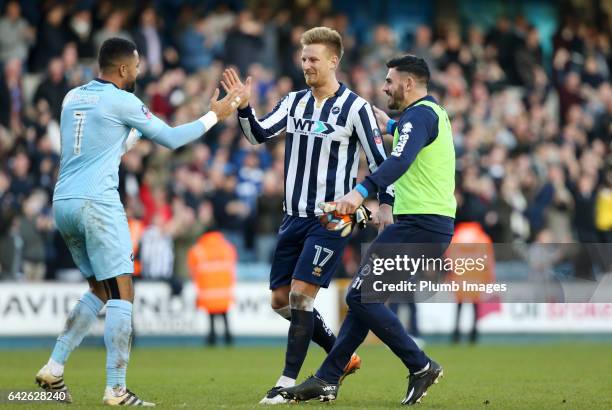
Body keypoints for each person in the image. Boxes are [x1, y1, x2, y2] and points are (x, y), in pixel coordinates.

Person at [34, 37, 245, 406]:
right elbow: (174, 139)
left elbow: (99, 145)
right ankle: (115, 388)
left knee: (100, 290)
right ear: (122, 70)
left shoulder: (72, 98)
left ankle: (54, 367)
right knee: (123, 292)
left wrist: (132, 136)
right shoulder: (123, 100)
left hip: (63, 201)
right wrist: (216, 115)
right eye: (135, 66)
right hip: (97, 203)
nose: (139, 71)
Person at [221, 26, 394, 405]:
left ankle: (286, 382)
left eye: (313, 59)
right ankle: (341, 356)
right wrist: (244, 108)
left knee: (301, 296)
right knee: (280, 300)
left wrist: (385, 206)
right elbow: (258, 135)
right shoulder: (294, 101)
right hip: (292, 217)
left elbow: (382, 163)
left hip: (332, 218)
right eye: (303, 58)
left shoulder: (356, 109)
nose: (306, 65)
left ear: (334, 61)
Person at [279, 54, 456, 406]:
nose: (384, 87)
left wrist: (361, 191)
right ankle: (328, 378)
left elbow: (401, 159)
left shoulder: (418, 116)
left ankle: (420, 365)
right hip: (427, 225)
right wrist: (390, 125)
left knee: (359, 297)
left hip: (419, 224)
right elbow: (410, 139)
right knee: (365, 300)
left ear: (408, 83)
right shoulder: (427, 115)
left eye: (389, 81)